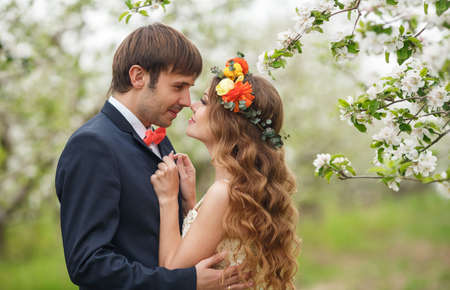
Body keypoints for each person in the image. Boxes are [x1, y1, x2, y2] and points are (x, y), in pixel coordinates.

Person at [55, 23, 248, 290]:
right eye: (178, 86)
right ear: (138, 77)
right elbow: (88, 264)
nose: (185, 100)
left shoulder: (161, 141)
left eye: (189, 88)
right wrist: (185, 282)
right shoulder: (92, 145)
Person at [150, 55, 300, 289]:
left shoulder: (224, 192)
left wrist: (168, 199)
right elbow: (214, 242)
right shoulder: (238, 187)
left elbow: (172, 273)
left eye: (205, 102)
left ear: (229, 121)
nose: (192, 105)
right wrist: (190, 203)